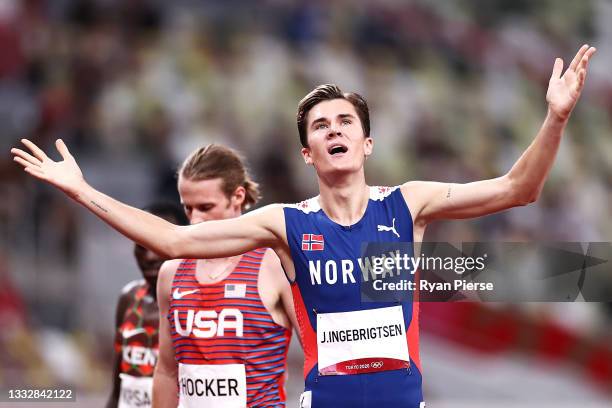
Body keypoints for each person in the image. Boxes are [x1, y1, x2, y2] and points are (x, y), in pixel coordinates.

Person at [12, 45, 595, 407]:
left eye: (345, 121)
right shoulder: (285, 226)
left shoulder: (410, 204)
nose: (333, 129)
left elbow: (521, 189)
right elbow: (172, 241)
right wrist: (83, 190)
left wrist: (556, 117)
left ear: (366, 143)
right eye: (320, 126)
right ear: (307, 155)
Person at [153, 145, 297, 407]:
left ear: (238, 197)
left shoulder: (274, 266)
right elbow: (166, 371)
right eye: (188, 208)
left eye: (206, 207)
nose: (195, 220)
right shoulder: (171, 273)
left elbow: (316, 355)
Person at [107, 202, 187, 408]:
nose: (150, 257)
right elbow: (117, 392)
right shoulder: (129, 299)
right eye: (142, 245)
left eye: (158, 244)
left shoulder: (197, 304)